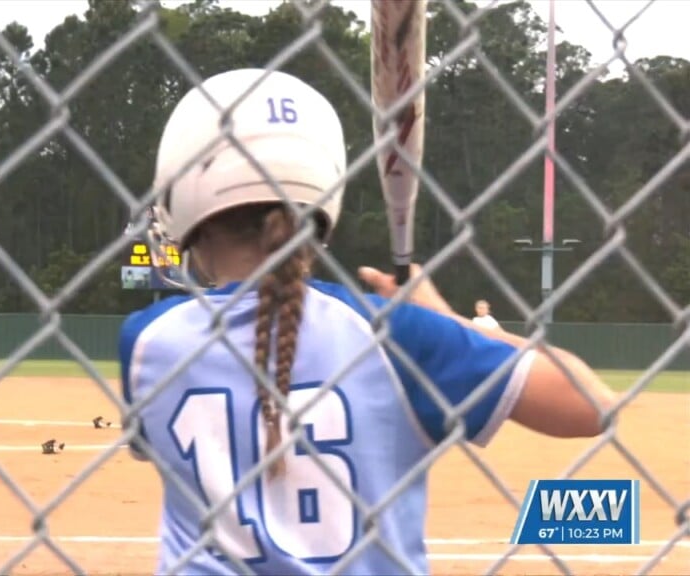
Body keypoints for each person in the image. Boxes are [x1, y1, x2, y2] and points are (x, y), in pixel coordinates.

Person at [118, 68, 616, 576]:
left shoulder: (146, 342)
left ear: (186, 200)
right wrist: (443, 319)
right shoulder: (393, 335)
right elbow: (594, 407)